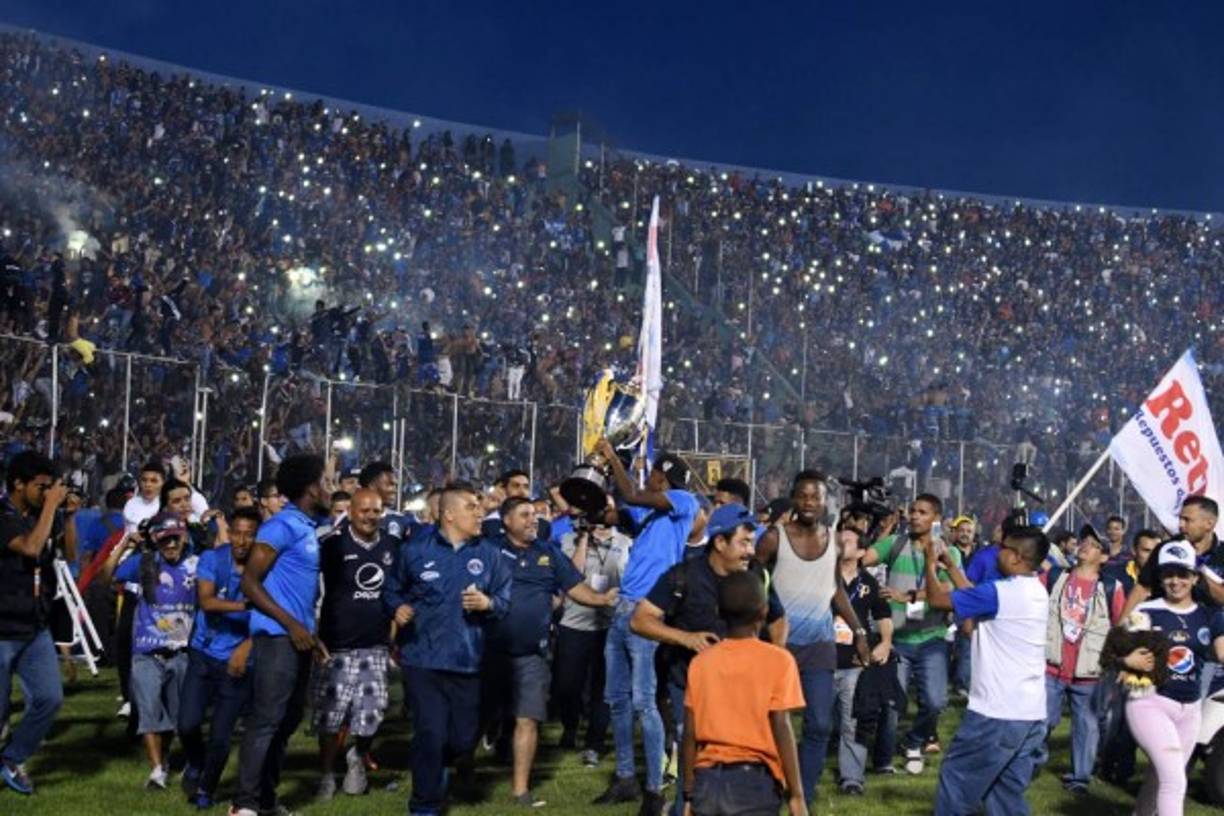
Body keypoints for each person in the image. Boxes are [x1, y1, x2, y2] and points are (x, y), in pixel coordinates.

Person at [631, 503, 787, 816]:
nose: (750, 551)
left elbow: (778, 619)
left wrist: (772, 656)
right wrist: (685, 638)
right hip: (690, 686)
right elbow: (640, 620)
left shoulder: (756, 575)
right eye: (744, 542)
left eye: (751, 542)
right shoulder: (683, 576)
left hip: (744, 692)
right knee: (692, 758)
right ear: (719, 542)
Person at [382, 482, 512, 816]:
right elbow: (391, 589)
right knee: (430, 732)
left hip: (468, 661)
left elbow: (505, 601)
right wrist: (397, 607)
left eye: (479, 506)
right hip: (422, 659)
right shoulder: (415, 550)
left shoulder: (490, 554)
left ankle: (444, 766)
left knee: (462, 739)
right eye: (471, 507)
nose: (480, 513)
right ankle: (424, 805)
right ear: (449, 514)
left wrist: (488, 603)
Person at [486, 497, 618, 807]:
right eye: (525, 515)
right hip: (489, 651)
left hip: (532, 653)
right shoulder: (488, 550)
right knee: (475, 719)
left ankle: (520, 791)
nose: (533, 520)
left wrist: (602, 599)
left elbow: (574, 587)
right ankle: (465, 768)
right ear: (506, 521)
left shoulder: (549, 553)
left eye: (535, 514)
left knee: (528, 719)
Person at [591, 443, 698, 815]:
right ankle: (625, 778)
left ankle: (654, 789)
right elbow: (616, 513)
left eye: (652, 471)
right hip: (623, 607)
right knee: (617, 699)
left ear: (662, 477)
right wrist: (597, 488)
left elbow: (634, 495)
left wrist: (613, 456)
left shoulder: (684, 500)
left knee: (643, 701)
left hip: (647, 613)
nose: (647, 476)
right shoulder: (652, 516)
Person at [755, 470, 870, 799]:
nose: (808, 502)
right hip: (779, 644)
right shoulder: (774, 538)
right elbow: (753, 583)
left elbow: (835, 589)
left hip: (819, 644)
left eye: (815, 497)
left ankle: (802, 792)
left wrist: (859, 631)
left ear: (825, 502)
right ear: (794, 498)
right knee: (771, 720)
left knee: (819, 723)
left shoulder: (834, 540)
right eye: (803, 496)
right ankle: (768, 783)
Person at [923, 525, 1051, 816]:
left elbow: (937, 601)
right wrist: (952, 567)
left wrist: (930, 565)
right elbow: (974, 596)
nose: (996, 553)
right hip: (1029, 713)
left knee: (956, 783)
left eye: (1003, 548)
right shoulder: (1035, 590)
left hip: (996, 713)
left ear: (1016, 557)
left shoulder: (1002, 593)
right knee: (1004, 796)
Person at [230, 453, 332, 816]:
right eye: (326, 481)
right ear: (311, 487)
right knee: (266, 721)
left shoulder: (305, 526)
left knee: (287, 722)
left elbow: (296, 591)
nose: (331, 488)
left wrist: (310, 634)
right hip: (277, 638)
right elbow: (249, 582)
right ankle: (243, 805)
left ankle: (266, 801)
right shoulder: (281, 526)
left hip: (297, 637)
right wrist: (292, 625)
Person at [680, 570, 807, 816]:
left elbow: (690, 733)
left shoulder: (701, 662)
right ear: (764, 611)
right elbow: (781, 726)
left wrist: (688, 792)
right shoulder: (779, 661)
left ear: (718, 611)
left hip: (706, 782)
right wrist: (797, 794)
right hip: (754, 783)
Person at [1122, 542, 1224, 816]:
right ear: (1160, 577)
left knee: (1163, 776)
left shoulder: (1209, 615)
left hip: (1190, 709)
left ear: (1195, 577)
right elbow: (1117, 651)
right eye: (1168, 574)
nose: (1175, 581)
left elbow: (1222, 652)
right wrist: (1128, 660)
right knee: (1175, 781)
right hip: (1149, 702)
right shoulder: (1146, 611)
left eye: (1182, 574)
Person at [99, 512, 199, 789]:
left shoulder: (196, 565)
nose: (171, 545)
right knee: (148, 711)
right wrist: (124, 544)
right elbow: (105, 577)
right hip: (146, 651)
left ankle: (172, 760)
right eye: (165, 540)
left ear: (184, 538)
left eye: (175, 539)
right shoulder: (143, 563)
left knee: (181, 718)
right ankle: (156, 771)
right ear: (155, 540)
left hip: (181, 652)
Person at [859, 494, 958, 775]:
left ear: (936, 519)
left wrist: (910, 596)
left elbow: (949, 589)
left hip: (931, 638)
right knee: (892, 704)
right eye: (912, 510)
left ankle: (913, 740)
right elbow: (864, 558)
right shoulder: (895, 543)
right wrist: (875, 532)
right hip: (897, 641)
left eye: (922, 512)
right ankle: (883, 761)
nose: (914, 516)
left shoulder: (948, 553)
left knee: (935, 702)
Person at [312, 488, 395, 800]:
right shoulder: (331, 545)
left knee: (372, 713)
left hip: (375, 644)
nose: (371, 516)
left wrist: (393, 634)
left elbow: (397, 591)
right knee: (329, 718)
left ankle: (357, 756)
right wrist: (313, 632)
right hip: (335, 644)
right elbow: (312, 588)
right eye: (365, 510)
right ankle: (326, 774)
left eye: (376, 511)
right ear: (351, 512)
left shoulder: (392, 545)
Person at [1035, 524, 1125, 794]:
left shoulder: (1111, 587)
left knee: (1086, 726)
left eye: (1093, 545)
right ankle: (1033, 762)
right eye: (1083, 541)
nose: (1084, 545)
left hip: (1089, 670)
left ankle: (1080, 777)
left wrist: (1116, 665)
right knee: (1042, 721)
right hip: (1051, 664)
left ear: (1103, 556)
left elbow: (1120, 627)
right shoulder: (1054, 576)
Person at [179, 507, 259, 809]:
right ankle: (195, 762)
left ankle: (206, 789)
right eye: (237, 533)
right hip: (203, 651)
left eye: (249, 535)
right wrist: (248, 607)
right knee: (187, 724)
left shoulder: (265, 568)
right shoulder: (212, 558)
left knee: (221, 735)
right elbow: (207, 602)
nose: (242, 541)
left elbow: (271, 617)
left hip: (236, 661)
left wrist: (248, 644)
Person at [0, 451, 67, 794]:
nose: (47, 493)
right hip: (2, 628)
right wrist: (52, 507)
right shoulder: (3, 516)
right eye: (41, 487)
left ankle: (12, 758)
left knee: (49, 698)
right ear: (18, 484)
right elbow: (30, 548)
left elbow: (65, 553)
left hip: (34, 626)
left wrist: (65, 514)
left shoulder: (42, 515)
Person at [554, 517, 630, 765]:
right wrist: (585, 538)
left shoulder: (625, 542)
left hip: (608, 624)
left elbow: (627, 580)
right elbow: (570, 576)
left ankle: (594, 743)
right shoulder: (569, 540)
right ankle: (570, 726)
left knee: (602, 688)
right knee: (567, 685)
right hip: (573, 623)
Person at [833, 522, 894, 796]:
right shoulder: (823, 577)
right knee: (818, 722)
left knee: (852, 722)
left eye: (846, 541)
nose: (840, 543)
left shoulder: (869, 583)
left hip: (854, 663)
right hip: (823, 660)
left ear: (860, 553)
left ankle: (852, 778)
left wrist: (886, 642)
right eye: (838, 539)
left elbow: (883, 615)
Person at [358, 461, 416, 543]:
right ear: (372, 486)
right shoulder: (349, 520)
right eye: (390, 485)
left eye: (395, 486)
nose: (394, 490)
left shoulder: (401, 521)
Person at [123, 461, 166, 533]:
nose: (148, 485)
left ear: (163, 483)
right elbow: (125, 533)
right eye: (144, 480)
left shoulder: (166, 506)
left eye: (154, 481)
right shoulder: (131, 504)